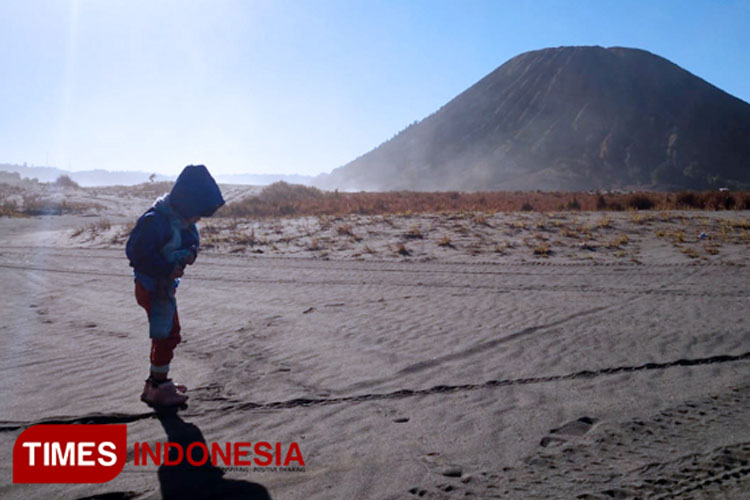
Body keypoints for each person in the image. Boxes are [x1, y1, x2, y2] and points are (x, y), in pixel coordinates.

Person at [126, 165, 224, 406]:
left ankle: (155, 382)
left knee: (164, 334)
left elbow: (190, 241)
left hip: (163, 287)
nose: (198, 219)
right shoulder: (156, 221)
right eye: (197, 213)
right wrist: (166, 268)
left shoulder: (180, 221)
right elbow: (136, 253)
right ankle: (159, 387)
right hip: (152, 287)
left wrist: (189, 254)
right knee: (169, 334)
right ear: (186, 204)